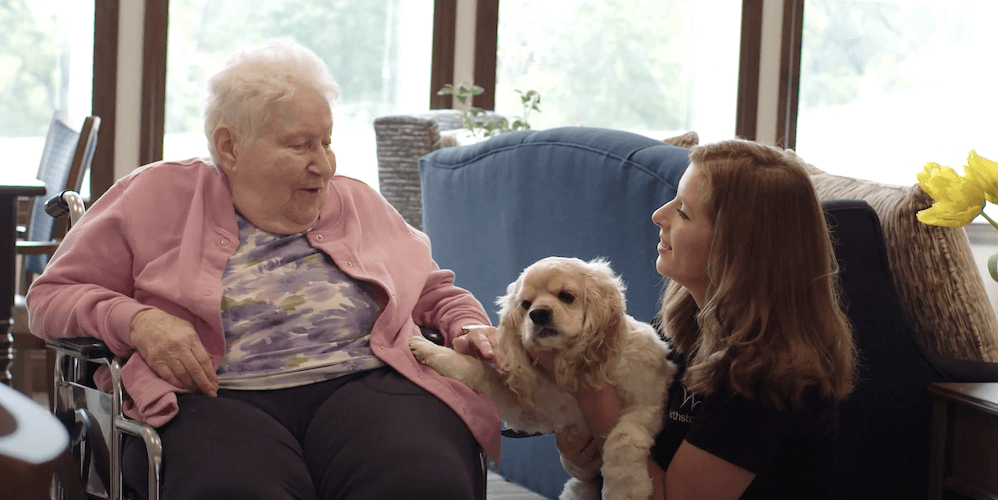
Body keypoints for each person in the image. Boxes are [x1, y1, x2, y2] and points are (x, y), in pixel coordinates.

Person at [27, 38, 500, 500]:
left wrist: (471, 324)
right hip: (213, 398)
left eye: (327, 142)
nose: (324, 166)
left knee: (422, 483)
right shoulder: (153, 195)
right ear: (230, 146)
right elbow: (50, 297)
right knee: (234, 489)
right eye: (300, 145)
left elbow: (433, 290)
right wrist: (137, 321)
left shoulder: (357, 201)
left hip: (368, 384)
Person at [465, 139, 855, 499]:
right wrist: (579, 453)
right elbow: (608, 446)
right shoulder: (685, 331)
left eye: (683, 211)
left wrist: (588, 384)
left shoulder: (767, 378)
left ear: (737, 248)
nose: (658, 215)